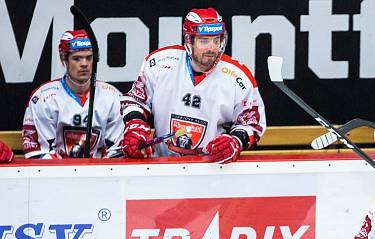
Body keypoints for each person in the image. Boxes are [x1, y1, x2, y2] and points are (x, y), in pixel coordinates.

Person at [120, 8, 265, 163]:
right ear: (189, 40)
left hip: (212, 169)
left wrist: (235, 141)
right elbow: (136, 100)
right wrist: (135, 123)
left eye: (216, 40)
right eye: (204, 41)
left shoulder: (238, 77)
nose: (212, 48)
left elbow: (252, 124)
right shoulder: (160, 63)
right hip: (161, 165)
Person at [22, 30, 123, 159]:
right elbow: (39, 152)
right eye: (77, 58)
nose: (84, 64)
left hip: (99, 175)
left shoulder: (113, 98)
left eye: (89, 57)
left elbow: (116, 152)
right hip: (56, 176)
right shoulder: (43, 98)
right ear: (64, 59)